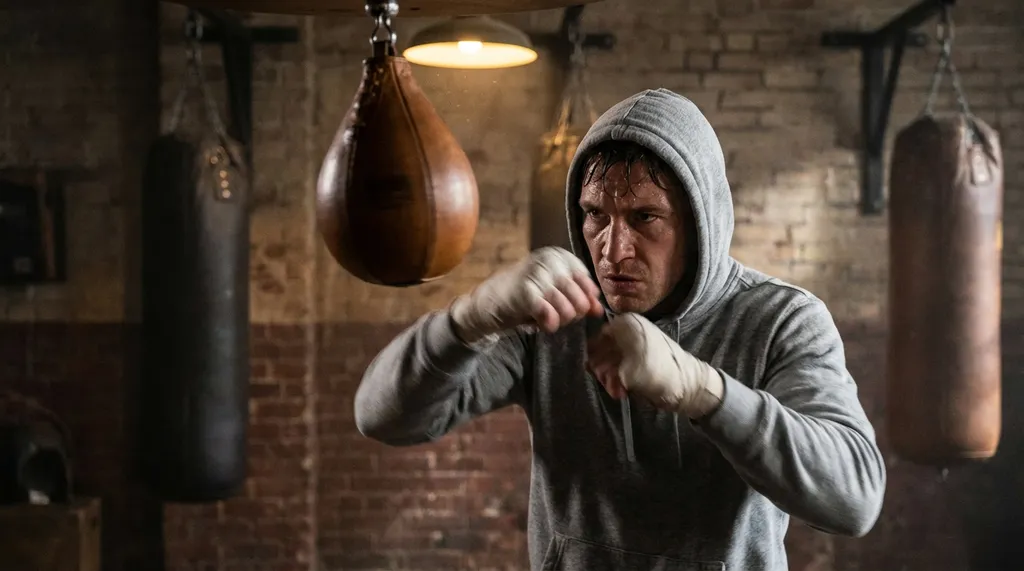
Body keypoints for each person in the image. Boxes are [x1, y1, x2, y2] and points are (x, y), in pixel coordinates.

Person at [354, 88, 886, 571]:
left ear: (700, 220)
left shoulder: (780, 320)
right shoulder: (558, 312)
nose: (612, 250)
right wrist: (467, 321)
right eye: (595, 215)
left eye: (644, 217)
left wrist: (702, 390)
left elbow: (854, 499)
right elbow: (382, 417)